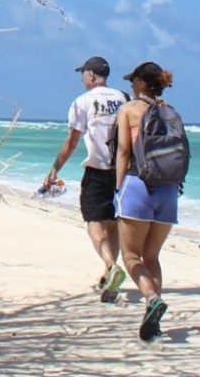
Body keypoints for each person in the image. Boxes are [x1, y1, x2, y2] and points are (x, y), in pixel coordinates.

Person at [41, 55, 129, 301]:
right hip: (122, 172)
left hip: (97, 169)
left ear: (91, 75)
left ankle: (111, 266)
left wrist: (55, 168)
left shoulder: (83, 101)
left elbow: (72, 141)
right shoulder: (123, 98)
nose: (82, 78)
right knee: (113, 223)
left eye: (83, 73)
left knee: (94, 222)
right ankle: (108, 275)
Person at [114, 61, 181, 341]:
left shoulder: (128, 110)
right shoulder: (170, 112)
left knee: (130, 256)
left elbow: (122, 152)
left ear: (142, 83)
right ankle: (152, 319)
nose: (130, 85)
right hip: (169, 190)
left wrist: (118, 189)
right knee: (152, 256)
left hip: (138, 185)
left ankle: (152, 299)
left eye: (133, 81)